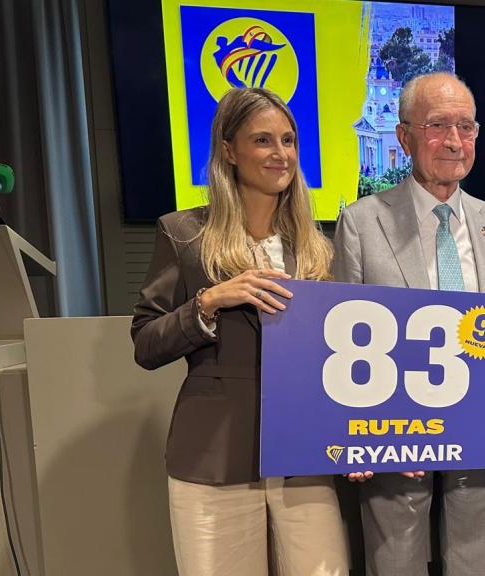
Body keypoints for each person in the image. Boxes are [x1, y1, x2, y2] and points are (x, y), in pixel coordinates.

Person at [131, 87, 348, 576]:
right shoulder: (184, 234)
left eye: (289, 140)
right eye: (263, 140)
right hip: (214, 456)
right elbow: (146, 343)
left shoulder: (319, 249)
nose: (281, 154)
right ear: (228, 150)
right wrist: (209, 301)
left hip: (304, 457)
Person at [332, 72, 485, 576]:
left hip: (475, 424)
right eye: (437, 125)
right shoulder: (361, 222)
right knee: (395, 561)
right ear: (403, 137)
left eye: (466, 127)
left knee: (471, 561)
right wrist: (355, 440)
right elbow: (340, 334)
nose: (453, 141)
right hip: (392, 431)